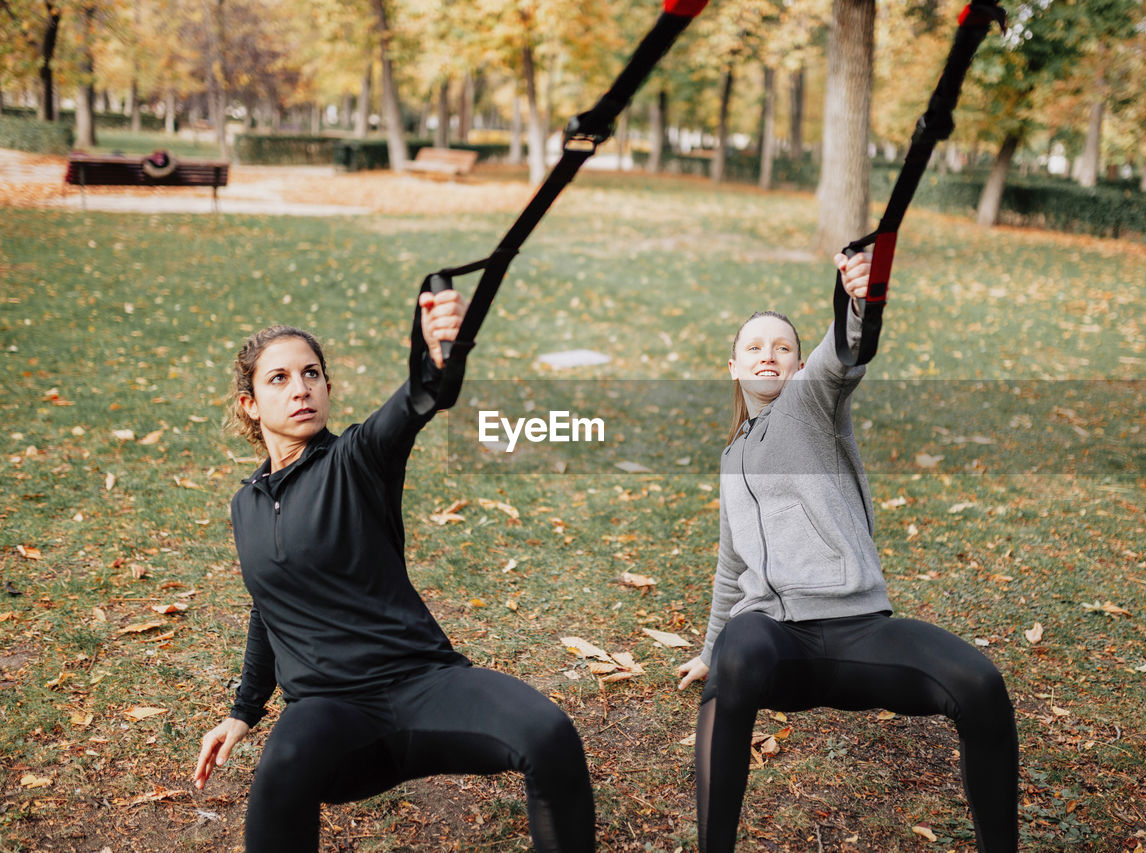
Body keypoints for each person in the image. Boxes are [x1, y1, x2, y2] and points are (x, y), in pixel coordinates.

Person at [192, 290, 595, 852]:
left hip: (425, 684)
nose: (301, 388)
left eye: (311, 374)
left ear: (329, 387)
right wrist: (243, 712)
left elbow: (417, 401)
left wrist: (436, 358)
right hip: (332, 715)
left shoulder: (357, 459)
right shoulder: (247, 506)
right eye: (278, 379)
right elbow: (270, 607)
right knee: (279, 774)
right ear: (250, 406)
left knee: (550, 736)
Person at [675, 253, 1019, 852]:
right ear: (733, 366)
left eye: (782, 347)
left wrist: (861, 300)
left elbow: (848, 349)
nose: (767, 355)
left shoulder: (812, 404)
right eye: (754, 347)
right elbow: (732, 566)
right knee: (737, 650)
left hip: (860, 633)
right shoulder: (731, 461)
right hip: (777, 644)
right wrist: (709, 651)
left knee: (981, 684)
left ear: (800, 365)